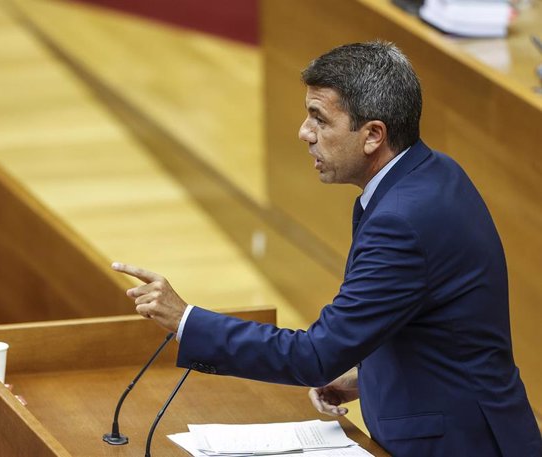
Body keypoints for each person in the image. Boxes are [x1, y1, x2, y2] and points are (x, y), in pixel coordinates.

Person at [111, 41, 542, 456]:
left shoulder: (403, 220)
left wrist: (186, 320)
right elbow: (435, 330)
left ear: (373, 134)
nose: (304, 133)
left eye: (319, 119)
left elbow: (316, 354)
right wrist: (364, 378)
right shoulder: (431, 174)